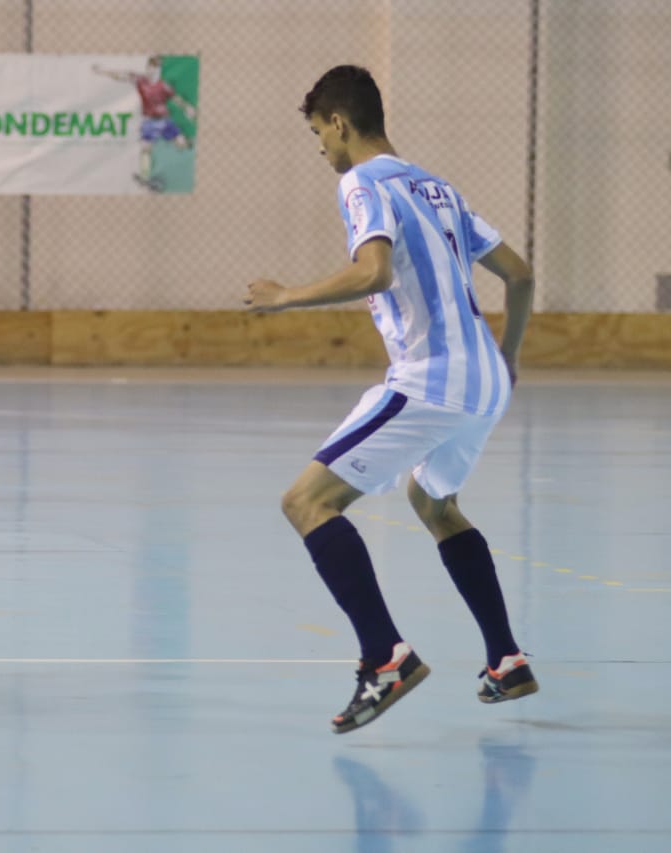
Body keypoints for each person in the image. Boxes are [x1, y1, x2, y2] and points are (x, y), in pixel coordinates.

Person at [243, 65, 538, 734]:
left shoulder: (361, 183)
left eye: (319, 133)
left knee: (307, 502)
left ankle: (386, 657)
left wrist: (287, 295)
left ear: (340, 124)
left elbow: (372, 269)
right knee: (433, 501)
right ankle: (506, 658)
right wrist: (509, 355)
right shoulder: (435, 184)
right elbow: (519, 275)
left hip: (431, 377)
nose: (320, 148)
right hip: (485, 379)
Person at [93, 55, 196, 192]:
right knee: (145, 148)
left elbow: (176, 99)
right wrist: (102, 71)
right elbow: (120, 75)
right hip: (149, 122)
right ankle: (146, 178)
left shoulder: (164, 86)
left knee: (182, 145)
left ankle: (186, 142)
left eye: (157, 69)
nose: (154, 72)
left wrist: (187, 107)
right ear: (148, 68)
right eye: (152, 68)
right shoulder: (140, 80)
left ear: (160, 70)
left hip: (165, 121)